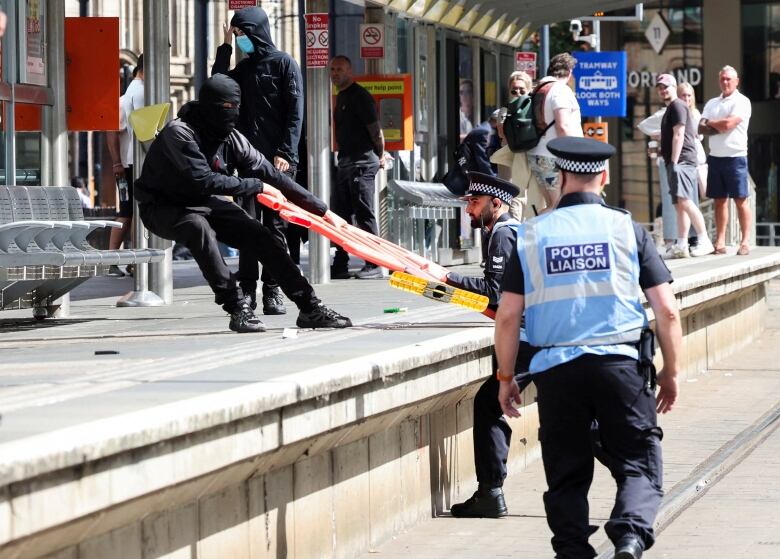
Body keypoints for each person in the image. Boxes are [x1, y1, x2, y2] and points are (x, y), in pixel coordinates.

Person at [495, 136, 682, 559]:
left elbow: (507, 317)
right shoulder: (626, 229)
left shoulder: (532, 235)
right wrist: (670, 371)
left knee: (566, 469)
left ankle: (572, 549)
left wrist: (506, 378)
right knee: (637, 459)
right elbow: (666, 311)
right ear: (605, 176)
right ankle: (631, 536)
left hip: (556, 371)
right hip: (621, 366)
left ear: (560, 178)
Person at [134, 74, 351, 333]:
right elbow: (204, 179)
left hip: (201, 200)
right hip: (162, 206)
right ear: (208, 106)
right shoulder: (179, 133)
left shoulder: (232, 137)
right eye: (225, 108)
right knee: (197, 228)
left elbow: (273, 175)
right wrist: (256, 186)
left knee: (260, 235)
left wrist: (323, 211)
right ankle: (237, 307)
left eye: (236, 108)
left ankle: (310, 307)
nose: (232, 114)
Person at [442, 172, 538, 518]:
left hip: (528, 337)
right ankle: (633, 469)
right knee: (572, 412)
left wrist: (448, 277)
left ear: (495, 203)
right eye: (468, 202)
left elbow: (494, 292)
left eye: (474, 202)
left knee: (488, 405)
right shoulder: (513, 231)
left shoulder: (502, 235)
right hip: (542, 334)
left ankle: (490, 493)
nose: (469, 210)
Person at [212, 6, 304, 315]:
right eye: (237, 35)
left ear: (257, 31)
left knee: (276, 228)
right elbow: (217, 85)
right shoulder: (243, 70)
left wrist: (286, 154)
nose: (240, 41)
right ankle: (248, 290)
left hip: (278, 163)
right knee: (249, 227)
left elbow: (295, 114)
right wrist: (225, 46)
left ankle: (273, 291)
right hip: (247, 165)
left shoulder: (284, 64)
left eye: (242, 34)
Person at [329, 55, 386, 280]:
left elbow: (376, 131)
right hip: (346, 163)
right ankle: (340, 262)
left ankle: (374, 263)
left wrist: (379, 154)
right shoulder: (341, 96)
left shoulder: (360, 96)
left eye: (340, 69)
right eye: (332, 70)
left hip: (362, 164)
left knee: (364, 213)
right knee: (341, 215)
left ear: (350, 71)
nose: (335, 73)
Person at [657, 73, 714, 257]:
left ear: (674, 87)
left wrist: (674, 161)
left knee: (685, 202)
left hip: (682, 161)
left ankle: (704, 239)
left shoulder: (678, 106)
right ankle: (681, 244)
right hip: (676, 160)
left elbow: (679, 134)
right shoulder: (672, 108)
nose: (663, 90)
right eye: (660, 87)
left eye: (666, 86)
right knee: (679, 204)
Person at [700, 65, 753, 255]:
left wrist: (712, 123)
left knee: (740, 200)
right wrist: (719, 125)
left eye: (729, 79)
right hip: (715, 157)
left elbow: (729, 124)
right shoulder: (712, 103)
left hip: (736, 157)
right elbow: (700, 127)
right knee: (719, 201)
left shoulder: (742, 101)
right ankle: (720, 241)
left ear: (736, 81)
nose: (725, 82)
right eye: (722, 78)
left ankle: (745, 242)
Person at [527, 53, 583, 210]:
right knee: (558, 206)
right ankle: (536, 233)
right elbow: (563, 125)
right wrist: (575, 154)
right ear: (570, 72)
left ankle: (537, 233)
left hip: (537, 154)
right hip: (554, 157)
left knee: (552, 204)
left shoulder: (539, 88)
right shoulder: (560, 91)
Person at [105, 54, 145, 277]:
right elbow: (111, 132)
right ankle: (114, 258)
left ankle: (126, 259)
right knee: (128, 211)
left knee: (128, 211)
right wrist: (117, 162)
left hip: (129, 164)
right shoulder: (130, 98)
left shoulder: (129, 97)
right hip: (129, 164)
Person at [490, 70, 544, 221]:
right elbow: (502, 134)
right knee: (513, 197)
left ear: (529, 90)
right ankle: (515, 234)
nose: (518, 93)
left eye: (522, 89)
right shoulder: (505, 110)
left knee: (533, 197)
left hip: (531, 157)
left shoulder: (535, 110)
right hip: (510, 158)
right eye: (514, 90)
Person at [677, 82, 708, 200]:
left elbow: (700, 136)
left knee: (703, 195)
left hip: (697, 160)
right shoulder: (675, 111)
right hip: (682, 160)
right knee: (686, 197)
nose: (687, 98)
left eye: (689, 95)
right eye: (684, 95)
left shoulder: (695, 113)